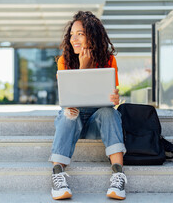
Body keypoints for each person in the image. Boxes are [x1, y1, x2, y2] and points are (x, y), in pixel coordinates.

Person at [49, 11, 127, 200]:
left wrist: (115, 98)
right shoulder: (64, 61)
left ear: (92, 36)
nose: (73, 39)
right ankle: (57, 175)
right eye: (72, 34)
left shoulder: (109, 60)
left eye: (80, 34)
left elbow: (111, 95)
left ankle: (118, 176)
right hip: (73, 123)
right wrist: (83, 67)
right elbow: (69, 98)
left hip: (96, 124)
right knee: (68, 113)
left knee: (109, 112)